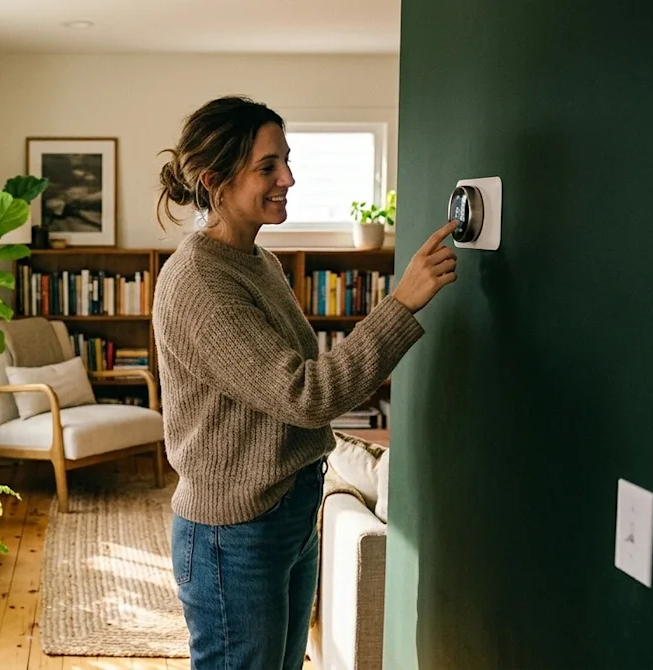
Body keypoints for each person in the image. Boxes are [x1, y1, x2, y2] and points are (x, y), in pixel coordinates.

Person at [152, 96, 458, 669]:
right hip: (233, 533)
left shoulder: (256, 260)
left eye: (285, 161)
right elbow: (306, 394)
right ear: (215, 180)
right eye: (267, 166)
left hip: (289, 508)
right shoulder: (198, 280)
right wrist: (401, 304)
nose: (288, 178)